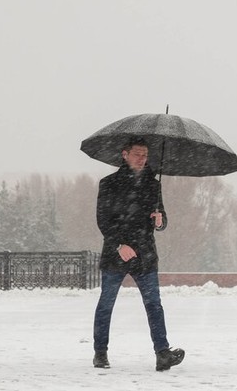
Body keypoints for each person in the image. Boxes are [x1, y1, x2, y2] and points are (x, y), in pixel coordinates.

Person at [92, 137, 185, 372]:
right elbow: (103, 220)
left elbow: (160, 218)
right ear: (125, 154)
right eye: (137, 154)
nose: (142, 159)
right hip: (117, 254)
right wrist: (119, 245)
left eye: (145, 155)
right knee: (106, 304)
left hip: (145, 254)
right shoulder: (109, 183)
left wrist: (161, 220)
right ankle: (100, 353)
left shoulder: (153, 185)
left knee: (154, 304)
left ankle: (162, 353)